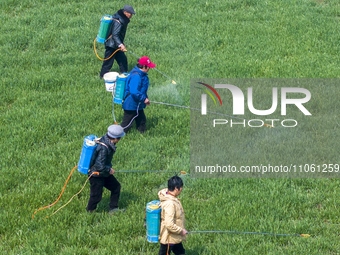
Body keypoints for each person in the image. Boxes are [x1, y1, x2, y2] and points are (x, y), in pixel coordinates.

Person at [87, 125, 125, 213]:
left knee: (116, 187)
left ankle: (113, 209)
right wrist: (109, 170)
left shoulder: (107, 140)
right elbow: (99, 166)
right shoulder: (103, 148)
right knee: (96, 196)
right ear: (115, 138)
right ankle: (90, 212)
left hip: (103, 173)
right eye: (119, 138)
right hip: (96, 174)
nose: (119, 140)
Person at [120, 56, 156, 133]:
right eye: (148, 67)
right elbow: (134, 91)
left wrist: (144, 99)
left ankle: (142, 134)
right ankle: (116, 136)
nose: (149, 68)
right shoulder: (136, 76)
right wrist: (144, 99)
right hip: (131, 104)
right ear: (144, 66)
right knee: (126, 125)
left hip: (137, 104)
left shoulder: (141, 74)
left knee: (142, 120)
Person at [99, 5, 135, 78]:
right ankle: (102, 77)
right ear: (125, 12)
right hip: (112, 45)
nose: (131, 15)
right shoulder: (118, 21)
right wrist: (120, 44)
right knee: (108, 63)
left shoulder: (122, 19)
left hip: (116, 45)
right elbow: (115, 35)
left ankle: (124, 76)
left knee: (123, 60)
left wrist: (119, 44)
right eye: (130, 13)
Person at [158, 176, 187, 255]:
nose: (181, 190)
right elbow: (169, 224)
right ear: (176, 188)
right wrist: (181, 231)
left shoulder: (171, 197)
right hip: (168, 238)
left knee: (181, 252)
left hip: (175, 236)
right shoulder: (170, 204)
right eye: (181, 188)